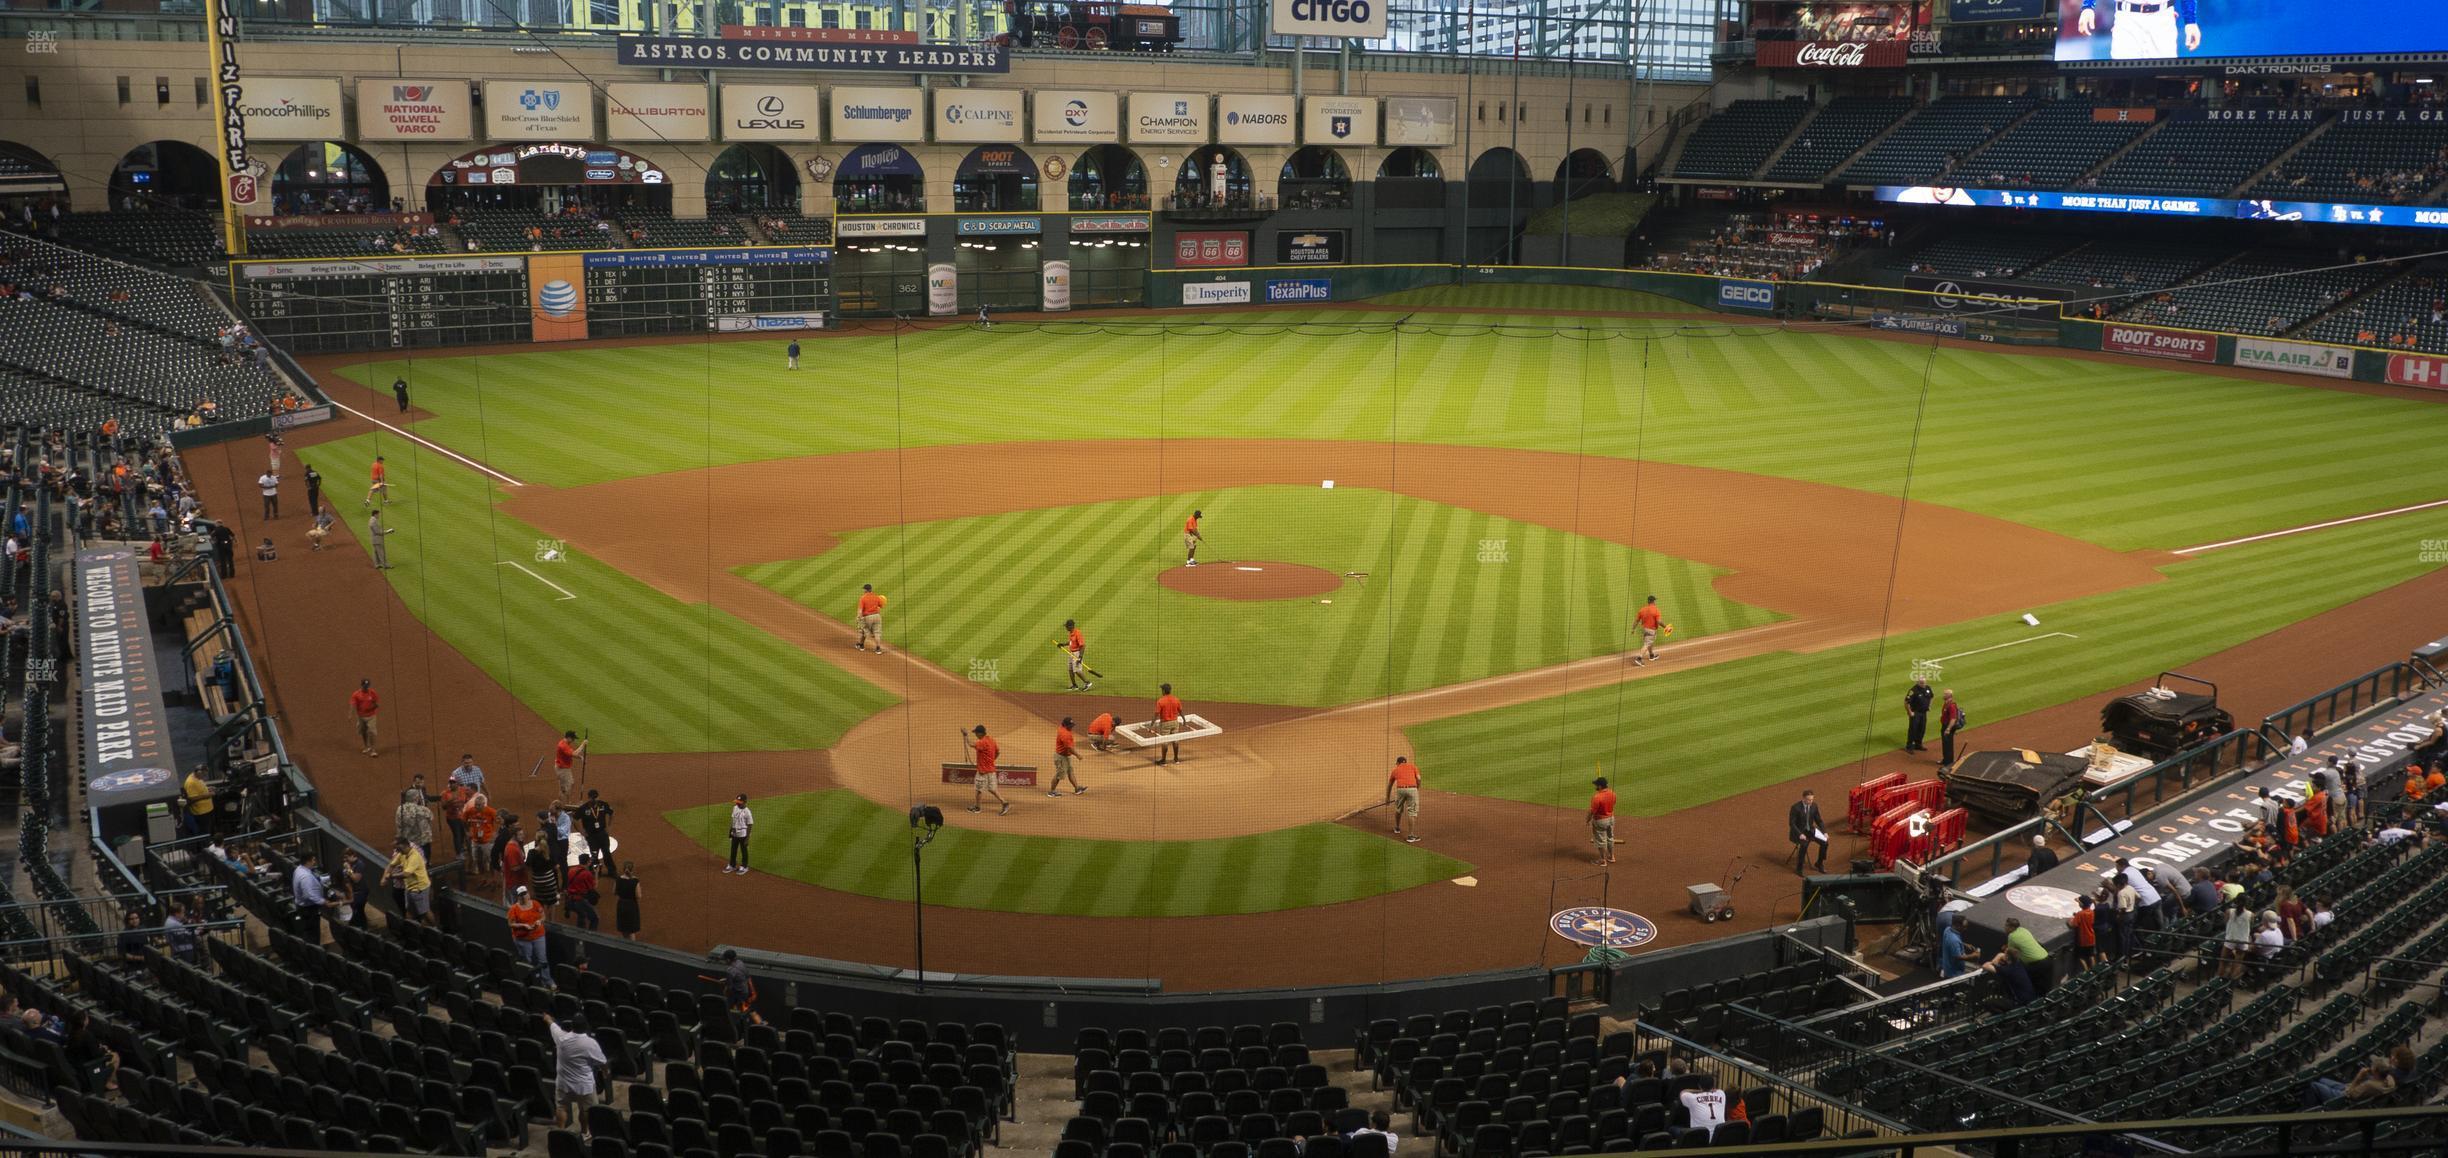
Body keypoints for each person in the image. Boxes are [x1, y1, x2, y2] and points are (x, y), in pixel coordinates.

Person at [548, 1013, 610, 1136]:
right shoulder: (590, 1043)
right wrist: (605, 1072)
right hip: (583, 1085)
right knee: (586, 1109)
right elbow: (602, 1062)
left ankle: (560, 1133)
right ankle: (584, 1132)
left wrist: (548, 1019)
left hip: (563, 1082)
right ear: (586, 1027)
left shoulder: (561, 1037)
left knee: (561, 1107)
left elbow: (553, 1027)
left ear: (572, 1026)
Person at [963, 725, 1012, 816]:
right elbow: (997, 752)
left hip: (983, 771)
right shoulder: (991, 740)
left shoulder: (982, 742)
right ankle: (1004, 803)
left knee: (978, 790)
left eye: (976, 733)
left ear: (980, 733)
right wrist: (991, 760)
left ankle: (977, 808)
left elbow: (970, 744)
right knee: (992, 789)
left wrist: (966, 735)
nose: (976, 735)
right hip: (991, 770)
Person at [507, 886, 550, 985]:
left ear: (528, 894)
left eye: (525, 894)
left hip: (538, 935)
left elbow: (543, 916)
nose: (524, 897)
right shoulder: (514, 909)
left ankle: (547, 981)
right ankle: (532, 982)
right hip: (523, 939)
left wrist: (539, 921)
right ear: (518, 897)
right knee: (528, 961)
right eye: (521, 895)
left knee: (542, 959)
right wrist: (523, 925)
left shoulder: (535, 904)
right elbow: (510, 924)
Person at [385, 838, 432, 925]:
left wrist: (391, 876)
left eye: (400, 849)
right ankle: (411, 931)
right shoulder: (402, 853)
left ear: (406, 846)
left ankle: (436, 929)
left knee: (424, 913)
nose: (398, 851)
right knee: (409, 912)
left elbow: (406, 874)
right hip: (409, 887)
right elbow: (392, 864)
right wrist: (385, 876)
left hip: (420, 888)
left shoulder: (414, 856)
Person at [291, 851, 333, 941]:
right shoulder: (305, 876)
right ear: (308, 861)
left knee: (310, 932)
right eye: (313, 860)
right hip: (308, 910)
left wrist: (330, 877)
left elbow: (316, 880)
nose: (315, 862)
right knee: (313, 934)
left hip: (303, 907)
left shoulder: (300, 869)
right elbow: (310, 895)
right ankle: (314, 952)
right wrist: (324, 901)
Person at [1788, 788, 1828, 875]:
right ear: (1803, 798)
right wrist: (1800, 834)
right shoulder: (1795, 808)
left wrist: (1824, 832)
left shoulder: (1814, 806)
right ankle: (1799, 868)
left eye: (1812, 799)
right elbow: (1792, 824)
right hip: (1798, 832)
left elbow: (1819, 820)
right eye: (1808, 800)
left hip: (1810, 830)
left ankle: (1819, 863)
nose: (1810, 801)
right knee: (1804, 844)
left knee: (1825, 842)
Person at [1676, 1072, 1728, 1139]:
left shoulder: (1693, 1098)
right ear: (1713, 1086)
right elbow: (1717, 1090)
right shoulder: (1721, 1094)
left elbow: (1683, 1092)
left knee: (1673, 1128)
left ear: (1699, 1086)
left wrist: (1700, 1091)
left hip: (1699, 1139)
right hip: (1718, 1138)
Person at [1386, 757, 1422, 844]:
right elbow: (1419, 778)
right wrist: (1417, 787)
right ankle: (1410, 836)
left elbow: (1390, 785)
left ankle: (1397, 828)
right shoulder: (1413, 766)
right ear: (1405, 762)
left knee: (1398, 809)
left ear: (1398, 763)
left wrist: (1387, 798)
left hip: (1400, 790)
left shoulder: (1395, 770)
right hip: (1412, 789)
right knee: (1412, 812)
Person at [1049, 717, 1085, 796]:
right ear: (1065, 725)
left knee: (1070, 772)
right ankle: (1052, 792)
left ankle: (1077, 788)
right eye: (1070, 725)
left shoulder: (1064, 729)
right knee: (1059, 775)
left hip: (1065, 756)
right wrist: (1077, 755)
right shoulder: (1065, 734)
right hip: (1061, 757)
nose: (1072, 727)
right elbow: (1069, 748)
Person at [1152, 683, 1186, 765]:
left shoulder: (1161, 701)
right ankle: (1176, 759)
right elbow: (1180, 711)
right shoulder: (1176, 699)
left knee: (1165, 742)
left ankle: (1163, 760)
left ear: (1164, 691)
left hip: (1165, 724)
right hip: (1175, 722)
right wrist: (1184, 719)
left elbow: (1156, 713)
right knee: (1175, 740)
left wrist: (1152, 723)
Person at [575, 789, 614, 859]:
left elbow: (611, 813)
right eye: (593, 798)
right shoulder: (584, 808)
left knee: (607, 854)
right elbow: (575, 819)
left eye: (596, 797)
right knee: (594, 856)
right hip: (591, 836)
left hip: (602, 833)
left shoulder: (603, 804)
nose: (595, 799)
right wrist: (581, 831)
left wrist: (609, 826)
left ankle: (612, 870)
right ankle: (595, 869)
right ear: (589, 798)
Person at [565, 856, 600, 931]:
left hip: (570, 900)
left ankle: (580, 932)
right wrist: (596, 873)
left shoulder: (571, 870)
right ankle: (590, 938)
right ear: (588, 862)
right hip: (580, 901)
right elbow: (594, 887)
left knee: (581, 915)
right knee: (595, 919)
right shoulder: (587, 874)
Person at [1937, 913, 1978, 978]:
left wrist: (1964, 944)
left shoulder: (1947, 929)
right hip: (1954, 973)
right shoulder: (1954, 940)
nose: (1965, 929)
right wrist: (1973, 955)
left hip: (1947, 967)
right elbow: (1958, 957)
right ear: (1957, 925)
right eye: (1964, 927)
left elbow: (1951, 942)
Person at [1588, 777, 1618, 867]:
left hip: (1600, 821)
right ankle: (1611, 857)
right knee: (1610, 838)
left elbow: (1592, 811)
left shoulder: (1597, 797)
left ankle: (1602, 860)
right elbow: (1614, 803)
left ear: (1600, 786)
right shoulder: (1613, 793)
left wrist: (1588, 820)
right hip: (1611, 819)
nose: (1595, 786)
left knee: (1601, 841)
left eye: (1596, 785)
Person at [180, 766, 215, 838]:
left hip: (207, 811)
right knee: (204, 832)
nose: (204, 777)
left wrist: (208, 788)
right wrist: (207, 795)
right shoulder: (191, 782)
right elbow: (192, 798)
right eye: (204, 775)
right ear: (198, 772)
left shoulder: (198, 778)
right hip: (201, 813)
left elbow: (198, 790)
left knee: (209, 830)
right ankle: (205, 846)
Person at [2067, 895, 2098, 972]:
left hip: (2083, 939)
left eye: (2079, 902)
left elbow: (2073, 925)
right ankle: (2093, 972)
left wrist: (2069, 920)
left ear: (2082, 904)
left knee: (2081, 957)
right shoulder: (2091, 912)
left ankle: (2086, 972)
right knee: (2091, 955)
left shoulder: (2080, 914)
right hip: (2091, 938)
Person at [553, 730, 587, 800]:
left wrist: (580, 757)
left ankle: (561, 802)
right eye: (573, 738)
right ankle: (564, 803)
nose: (574, 740)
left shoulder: (564, 743)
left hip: (561, 768)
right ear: (568, 737)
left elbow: (570, 754)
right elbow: (574, 753)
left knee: (563, 788)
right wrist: (583, 744)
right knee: (569, 785)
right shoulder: (563, 746)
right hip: (563, 770)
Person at [853, 584, 886, 653]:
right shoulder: (876, 597)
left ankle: (861, 645)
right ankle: (878, 649)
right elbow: (881, 605)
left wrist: (858, 617)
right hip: (877, 616)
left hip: (867, 617)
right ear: (871, 589)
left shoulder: (863, 598)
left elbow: (860, 610)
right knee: (877, 633)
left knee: (863, 630)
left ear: (865, 590)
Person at [1903, 676, 1934, 753]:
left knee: (1922, 729)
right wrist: (1910, 712)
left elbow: (1931, 697)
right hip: (1915, 713)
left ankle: (1918, 744)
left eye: (1924, 682)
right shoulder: (1913, 691)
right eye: (1921, 683)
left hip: (1924, 713)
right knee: (1913, 729)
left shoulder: (1928, 688)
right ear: (1917, 683)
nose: (1923, 684)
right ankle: (1909, 746)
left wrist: (1929, 706)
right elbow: (1906, 702)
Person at [725, 794, 754, 874]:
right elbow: (733, 820)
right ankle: (732, 865)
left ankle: (744, 866)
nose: (737, 803)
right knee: (733, 849)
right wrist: (730, 831)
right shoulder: (735, 808)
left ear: (745, 802)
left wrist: (747, 838)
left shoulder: (747, 812)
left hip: (743, 834)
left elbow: (750, 824)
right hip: (735, 833)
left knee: (744, 850)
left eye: (739, 802)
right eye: (737, 802)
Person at [1633, 595, 1664, 666]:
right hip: (1651, 630)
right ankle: (1639, 658)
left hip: (1644, 629)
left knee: (1650, 642)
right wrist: (1665, 627)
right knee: (1647, 644)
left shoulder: (1642, 609)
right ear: (1653, 601)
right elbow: (1659, 621)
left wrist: (1633, 629)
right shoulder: (1656, 609)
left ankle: (1651, 655)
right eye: (1655, 601)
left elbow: (1636, 620)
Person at [1938, 690, 1967, 769]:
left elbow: (1953, 719)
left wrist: (1948, 729)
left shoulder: (1951, 706)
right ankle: (1945, 760)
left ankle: (1949, 762)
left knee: (1948, 745)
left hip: (1948, 727)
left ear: (1949, 696)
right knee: (1945, 743)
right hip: (1945, 725)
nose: (1943, 695)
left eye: (1945, 694)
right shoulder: (1946, 703)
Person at [615, 860, 642, 940]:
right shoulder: (635, 881)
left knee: (624, 927)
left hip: (621, 904)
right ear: (632, 870)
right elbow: (638, 896)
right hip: (631, 905)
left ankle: (625, 946)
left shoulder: (618, 879)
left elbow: (614, 892)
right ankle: (631, 948)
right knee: (631, 930)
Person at [1064, 619, 1092, 691]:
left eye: (1067, 626)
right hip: (1071, 653)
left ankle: (1087, 683)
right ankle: (1074, 685)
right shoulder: (1071, 632)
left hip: (1077, 654)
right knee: (1070, 670)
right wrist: (1063, 644)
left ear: (1071, 626)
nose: (1066, 628)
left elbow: (1083, 646)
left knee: (1077, 670)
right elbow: (1071, 642)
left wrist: (1080, 657)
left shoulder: (1077, 633)